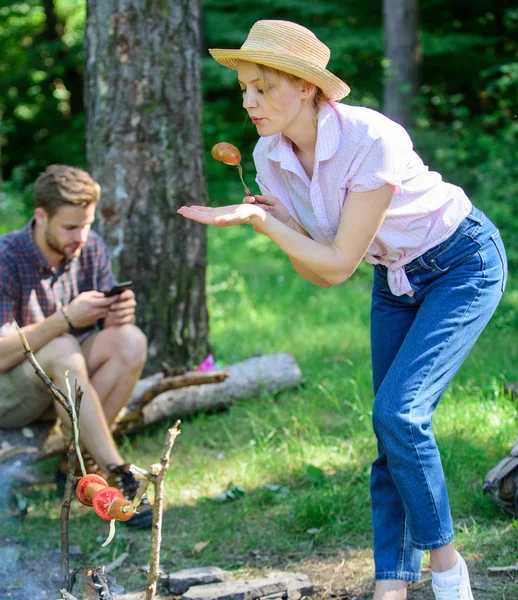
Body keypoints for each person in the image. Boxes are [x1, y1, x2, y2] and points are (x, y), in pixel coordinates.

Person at [178, 19, 508, 600]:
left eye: (264, 87)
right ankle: (393, 584)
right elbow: (322, 275)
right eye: (245, 89)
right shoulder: (268, 157)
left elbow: (336, 263)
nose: (250, 101)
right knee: (392, 431)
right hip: (395, 277)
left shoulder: (369, 139)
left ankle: (450, 571)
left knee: (400, 415)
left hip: (461, 263)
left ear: (306, 86)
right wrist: (276, 223)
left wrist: (261, 221)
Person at [0, 164, 152, 528]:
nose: (81, 236)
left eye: (87, 224)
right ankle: (117, 473)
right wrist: (65, 319)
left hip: (66, 387)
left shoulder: (90, 247)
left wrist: (119, 314)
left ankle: (78, 466)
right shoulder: (6, 257)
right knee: (61, 343)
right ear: (41, 216)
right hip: (11, 394)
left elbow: (106, 333)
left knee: (131, 341)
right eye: (70, 227)